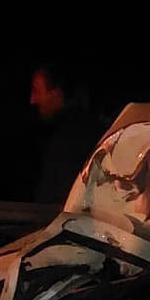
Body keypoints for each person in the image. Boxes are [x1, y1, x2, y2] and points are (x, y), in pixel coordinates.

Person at [30, 62, 107, 205]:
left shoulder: (68, 140)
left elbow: (60, 200)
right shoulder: (97, 130)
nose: (32, 100)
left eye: (37, 91)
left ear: (57, 93)